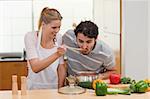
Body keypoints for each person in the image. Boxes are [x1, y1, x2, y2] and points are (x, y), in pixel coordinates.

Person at [24, 7, 66, 89]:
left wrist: (60, 89)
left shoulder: (59, 38)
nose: (57, 30)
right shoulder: (31, 37)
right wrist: (57, 54)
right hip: (34, 88)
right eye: (54, 27)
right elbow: (35, 67)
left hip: (53, 87)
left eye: (59, 27)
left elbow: (61, 67)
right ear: (43, 25)